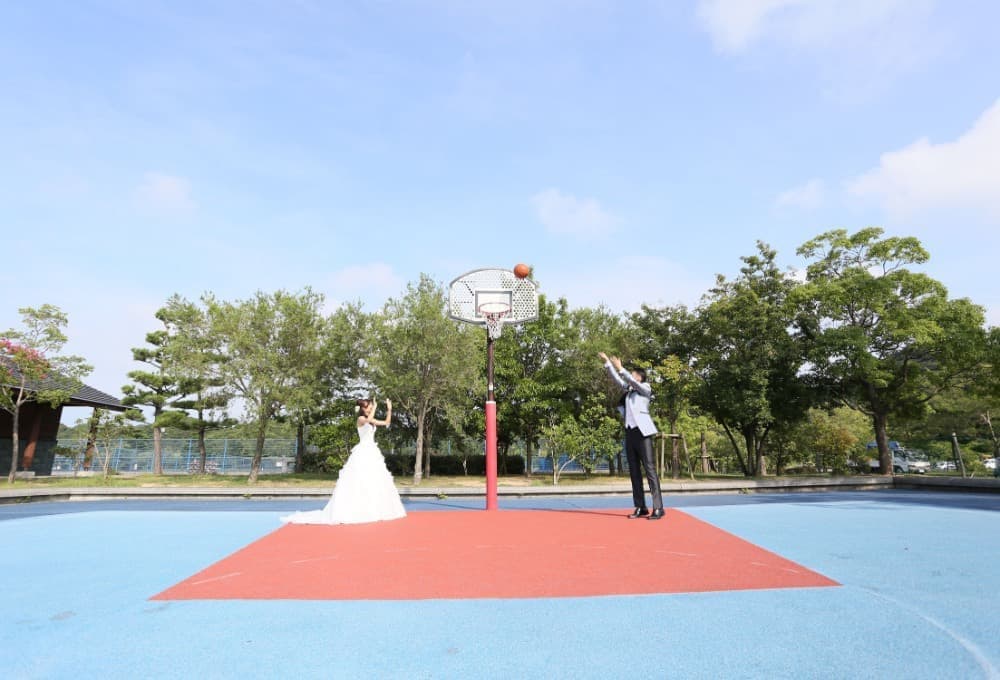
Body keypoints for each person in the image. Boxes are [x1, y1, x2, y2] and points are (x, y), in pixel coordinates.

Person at [281, 398, 406, 525]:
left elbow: (386, 422)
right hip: (363, 452)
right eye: (368, 406)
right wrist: (375, 407)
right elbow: (368, 420)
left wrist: (389, 409)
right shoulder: (361, 419)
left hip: (372, 451)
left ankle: (374, 508)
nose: (370, 408)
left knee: (374, 479)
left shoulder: (370, 420)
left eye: (370, 406)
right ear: (363, 409)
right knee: (360, 480)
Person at [599, 352, 664, 520]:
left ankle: (658, 507)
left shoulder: (645, 389)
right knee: (634, 471)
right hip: (630, 432)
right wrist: (608, 364)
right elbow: (618, 379)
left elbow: (630, 380)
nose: (630, 377)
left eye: (633, 374)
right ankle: (641, 506)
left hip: (643, 433)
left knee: (649, 470)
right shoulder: (628, 391)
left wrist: (621, 368)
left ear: (639, 378)